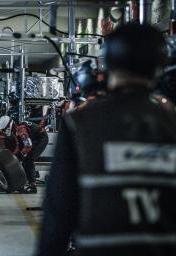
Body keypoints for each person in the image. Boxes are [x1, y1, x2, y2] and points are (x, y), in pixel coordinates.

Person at [37, 23, 176, 256]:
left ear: (109, 64)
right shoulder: (171, 121)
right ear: (159, 67)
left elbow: (59, 211)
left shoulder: (79, 122)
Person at [0, 115, 48, 193]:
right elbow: (18, 144)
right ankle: (22, 183)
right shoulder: (16, 127)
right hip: (34, 138)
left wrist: (21, 154)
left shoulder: (21, 130)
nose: (4, 131)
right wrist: (15, 155)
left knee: (28, 160)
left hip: (41, 138)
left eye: (4, 129)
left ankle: (33, 186)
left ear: (8, 125)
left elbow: (28, 146)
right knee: (24, 159)